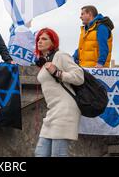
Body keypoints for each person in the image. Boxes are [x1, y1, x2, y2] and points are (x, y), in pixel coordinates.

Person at [34, 28, 84, 157]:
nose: (40, 41)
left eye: (44, 38)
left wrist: (58, 73)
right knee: (40, 153)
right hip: (52, 111)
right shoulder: (45, 61)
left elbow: (79, 76)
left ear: (53, 42)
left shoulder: (60, 56)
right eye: (39, 38)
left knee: (58, 154)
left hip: (65, 109)